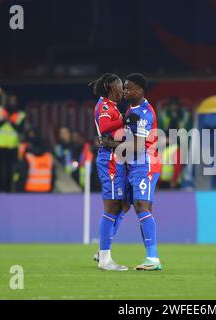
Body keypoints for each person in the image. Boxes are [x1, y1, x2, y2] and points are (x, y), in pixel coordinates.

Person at [118, 73, 162, 271]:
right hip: (132, 165)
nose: (125, 91)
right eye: (124, 87)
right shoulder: (130, 110)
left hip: (146, 164)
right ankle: (104, 251)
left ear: (140, 90)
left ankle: (153, 259)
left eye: (129, 88)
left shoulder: (144, 112)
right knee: (123, 206)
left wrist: (113, 144)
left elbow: (139, 144)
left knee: (142, 206)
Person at [91, 73, 128, 271]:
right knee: (112, 206)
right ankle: (105, 259)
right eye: (119, 85)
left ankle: (102, 250)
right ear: (109, 87)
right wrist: (125, 120)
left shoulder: (113, 106)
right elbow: (105, 127)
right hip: (110, 161)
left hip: (118, 160)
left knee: (122, 205)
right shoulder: (104, 106)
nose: (122, 89)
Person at [0, 94, 26, 192]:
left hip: (12, 146)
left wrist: (11, 121)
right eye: (10, 99)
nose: (12, 102)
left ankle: (8, 190)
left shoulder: (20, 114)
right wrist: (3, 120)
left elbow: (21, 129)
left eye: (14, 100)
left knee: (10, 170)